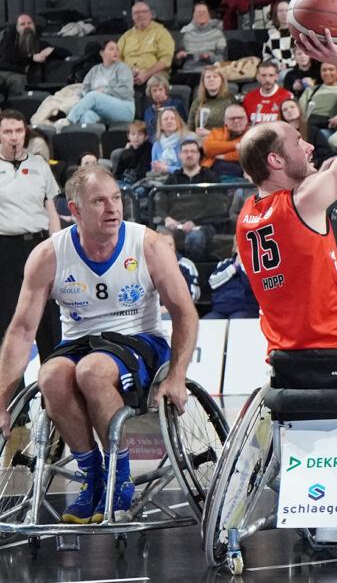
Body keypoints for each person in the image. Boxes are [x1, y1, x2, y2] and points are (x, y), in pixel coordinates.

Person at [234, 32, 337, 504]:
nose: (310, 149)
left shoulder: (244, 219)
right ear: (277, 160)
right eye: (299, 143)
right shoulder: (305, 199)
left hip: (284, 361)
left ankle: (313, 477)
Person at [0, 166, 197, 524]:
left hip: (140, 339)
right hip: (80, 341)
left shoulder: (148, 244)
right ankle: (92, 477)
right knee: (50, 376)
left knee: (92, 371)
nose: (113, 208)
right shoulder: (49, 255)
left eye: (117, 198)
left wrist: (178, 375)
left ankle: (120, 476)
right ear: (74, 210)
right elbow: (21, 330)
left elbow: (186, 314)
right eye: (99, 201)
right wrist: (1, 399)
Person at [0, 110, 62, 359]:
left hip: (39, 247)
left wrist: (58, 247)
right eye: (7, 132)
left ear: (25, 132)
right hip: (5, 250)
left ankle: (55, 392)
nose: (14, 137)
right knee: (7, 322)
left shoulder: (39, 166)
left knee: (48, 320)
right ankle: (13, 395)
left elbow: (52, 212)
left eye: (18, 131)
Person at [158, 139, 222, 260]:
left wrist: (194, 223)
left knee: (195, 238)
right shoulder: (172, 179)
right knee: (160, 235)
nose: (189, 155)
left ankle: (192, 273)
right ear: (179, 155)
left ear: (198, 155)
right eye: (185, 151)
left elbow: (217, 207)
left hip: (204, 224)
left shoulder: (211, 177)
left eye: (193, 151)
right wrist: (167, 218)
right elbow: (160, 203)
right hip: (176, 223)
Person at [61, 41, 135, 128]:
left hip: (124, 108)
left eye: (117, 49)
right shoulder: (95, 70)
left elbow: (126, 91)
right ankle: (91, 139)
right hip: (101, 109)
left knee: (94, 96)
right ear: (102, 53)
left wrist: (104, 92)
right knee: (86, 115)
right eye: (111, 49)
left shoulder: (123, 68)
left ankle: (68, 121)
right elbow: (86, 88)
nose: (115, 52)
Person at [0, 14, 56, 104]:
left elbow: (64, 52)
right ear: (17, 28)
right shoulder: (9, 39)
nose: (26, 26)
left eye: (29, 23)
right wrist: (31, 57)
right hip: (2, 71)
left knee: (18, 82)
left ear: (34, 26)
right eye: (23, 24)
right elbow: (8, 55)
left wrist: (51, 50)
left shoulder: (39, 43)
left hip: (18, 75)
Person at [118, 2, 176, 86]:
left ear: (150, 14)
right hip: (129, 76)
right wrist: (126, 73)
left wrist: (147, 74)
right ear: (132, 17)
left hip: (155, 75)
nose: (140, 15)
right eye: (136, 13)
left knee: (154, 83)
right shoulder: (126, 36)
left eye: (144, 12)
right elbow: (116, 58)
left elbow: (166, 60)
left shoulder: (161, 32)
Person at [175, 2, 228, 75]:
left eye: (204, 12)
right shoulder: (186, 35)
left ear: (209, 15)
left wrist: (209, 57)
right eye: (198, 12)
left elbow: (222, 60)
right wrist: (178, 57)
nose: (201, 14)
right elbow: (177, 63)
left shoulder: (217, 34)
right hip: (189, 72)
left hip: (212, 72)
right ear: (193, 15)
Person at [205, 250, 260, 319]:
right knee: (208, 322)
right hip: (220, 308)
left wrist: (243, 265)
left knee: (237, 322)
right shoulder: (225, 263)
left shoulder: (256, 264)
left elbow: (254, 285)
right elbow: (213, 283)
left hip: (245, 308)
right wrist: (234, 267)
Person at [203, 104, 251, 176]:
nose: (236, 121)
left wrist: (223, 156)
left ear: (246, 119)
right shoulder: (216, 132)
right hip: (211, 171)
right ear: (225, 120)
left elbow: (248, 155)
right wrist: (236, 145)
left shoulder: (252, 134)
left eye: (240, 118)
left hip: (240, 174)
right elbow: (208, 148)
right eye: (232, 118)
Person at [188, 66, 235, 138]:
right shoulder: (197, 102)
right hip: (200, 142)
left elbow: (235, 129)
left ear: (221, 80)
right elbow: (190, 128)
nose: (211, 80)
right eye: (208, 77)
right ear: (203, 81)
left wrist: (210, 133)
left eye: (215, 76)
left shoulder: (230, 99)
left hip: (222, 142)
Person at [243, 61, 293, 125]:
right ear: (258, 77)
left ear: (276, 77)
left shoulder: (287, 96)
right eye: (263, 75)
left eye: (271, 75)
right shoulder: (248, 97)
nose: (267, 79)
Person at [141, 75, 188, 143]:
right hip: (153, 145)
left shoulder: (176, 105)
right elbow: (147, 132)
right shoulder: (148, 111)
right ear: (150, 93)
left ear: (165, 90)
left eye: (160, 89)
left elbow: (183, 126)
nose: (158, 93)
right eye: (154, 90)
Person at [151, 107, 198, 174]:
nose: (169, 121)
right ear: (161, 125)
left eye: (172, 118)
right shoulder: (157, 144)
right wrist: (156, 167)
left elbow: (190, 170)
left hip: (181, 180)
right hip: (160, 180)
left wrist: (167, 168)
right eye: (166, 119)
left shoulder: (188, 141)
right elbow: (153, 168)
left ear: (178, 122)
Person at [110, 121, 154, 185]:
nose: (136, 137)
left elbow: (144, 171)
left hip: (142, 181)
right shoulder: (124, 153)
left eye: (140, 134)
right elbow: (118, 173)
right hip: (125, 180)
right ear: (128, 136)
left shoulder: (149, 149)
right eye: (133, 134)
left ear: (145, 137)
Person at [262, 0, 296, 76]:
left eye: (286, 10)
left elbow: (304, 56)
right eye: (280, 11)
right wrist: (275, 65)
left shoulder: (297, 33)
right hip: (277, 70)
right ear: (276, 14)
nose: (284, 13)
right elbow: (266, 56)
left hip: (295, 69)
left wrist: (287, 65)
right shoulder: (270, 34)